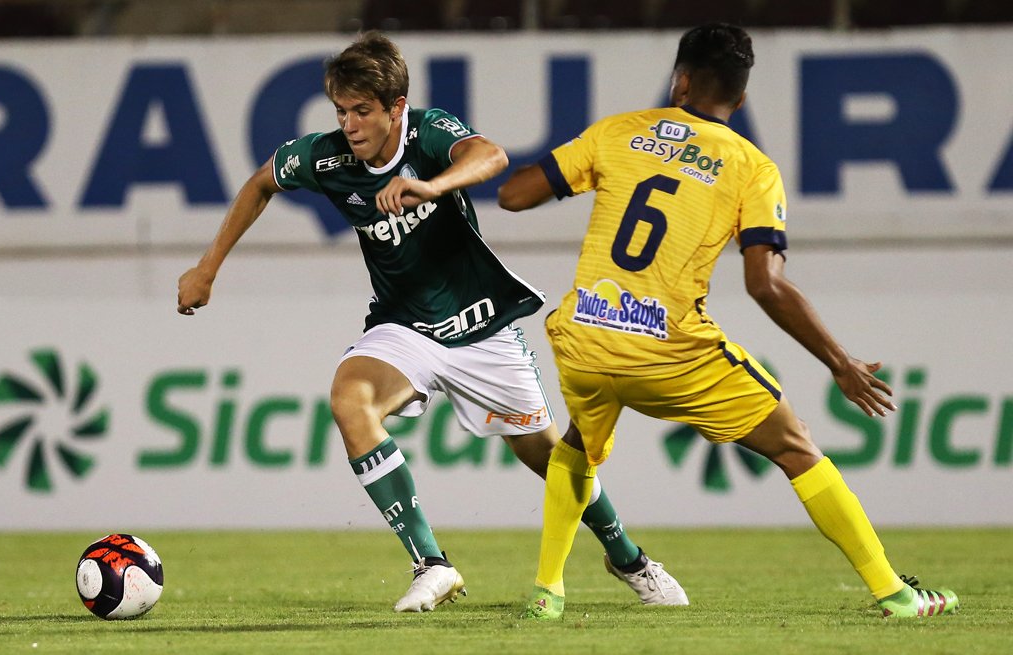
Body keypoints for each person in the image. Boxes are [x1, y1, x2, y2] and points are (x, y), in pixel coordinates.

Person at [177, 32, 687, 613]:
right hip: (404, 328)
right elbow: (262, 181)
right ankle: (431, 564)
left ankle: (628, 557)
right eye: (341, 111)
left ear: (396, 108)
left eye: (362, 111)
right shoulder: (324, 157)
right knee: (350, 401)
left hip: (481, 327)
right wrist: (206, 267)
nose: (349, 124)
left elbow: (491, 156)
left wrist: (432, 185)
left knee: (549, 456)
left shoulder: (428, 132)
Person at [498, 23, 959, 621]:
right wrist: (839, 363)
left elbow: (513, 196)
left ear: (680, 81)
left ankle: (548, 592)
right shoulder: (751, 167)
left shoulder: (618, 132)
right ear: (740, 99)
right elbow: (765, 285)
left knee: (579, 446)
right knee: (796, 448)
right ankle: (894, 594)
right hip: (668, 352)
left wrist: (586, 161)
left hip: (585, 339)